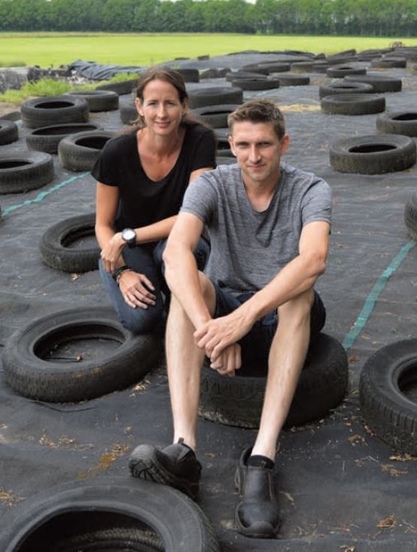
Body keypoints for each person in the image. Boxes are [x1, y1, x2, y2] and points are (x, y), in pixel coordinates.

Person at [128, 98, 332, 538]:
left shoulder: (311, 188)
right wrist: (211, 330)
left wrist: (240, 321)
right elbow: (178, 250)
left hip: (277, 315)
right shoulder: (213, 184)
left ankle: (261, 458)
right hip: (223, 309)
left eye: (263, 145)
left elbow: (314, 258)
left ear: (284, 144)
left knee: (300, 291)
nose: (253, 156)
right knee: (187, 286)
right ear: (231, 145)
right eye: (243, 145)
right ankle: (184, 451)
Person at [92, 67, 216, 335]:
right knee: (143, 321)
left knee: (180, 253)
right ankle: (162, 289)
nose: (161, 114)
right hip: (130, 248)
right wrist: (121, 272)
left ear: (184, 105)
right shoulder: (116, 151)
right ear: (139, 106)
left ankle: (177, 296)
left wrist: (127, 236)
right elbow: (103, 224)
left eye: (170, 103)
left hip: (178, 238)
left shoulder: (200, 140)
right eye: (153, 104)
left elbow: (194, 213)